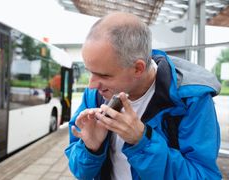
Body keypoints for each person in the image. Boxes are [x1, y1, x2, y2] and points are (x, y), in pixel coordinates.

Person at [65, 12, 222, 180]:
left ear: (138, 68)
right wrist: (90, 148)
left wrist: (142, 141)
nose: (91, 85)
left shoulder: (190, 100)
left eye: (104, 76)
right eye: (90, 72)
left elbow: (204, 175)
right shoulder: (95, 95)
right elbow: (80, 172)